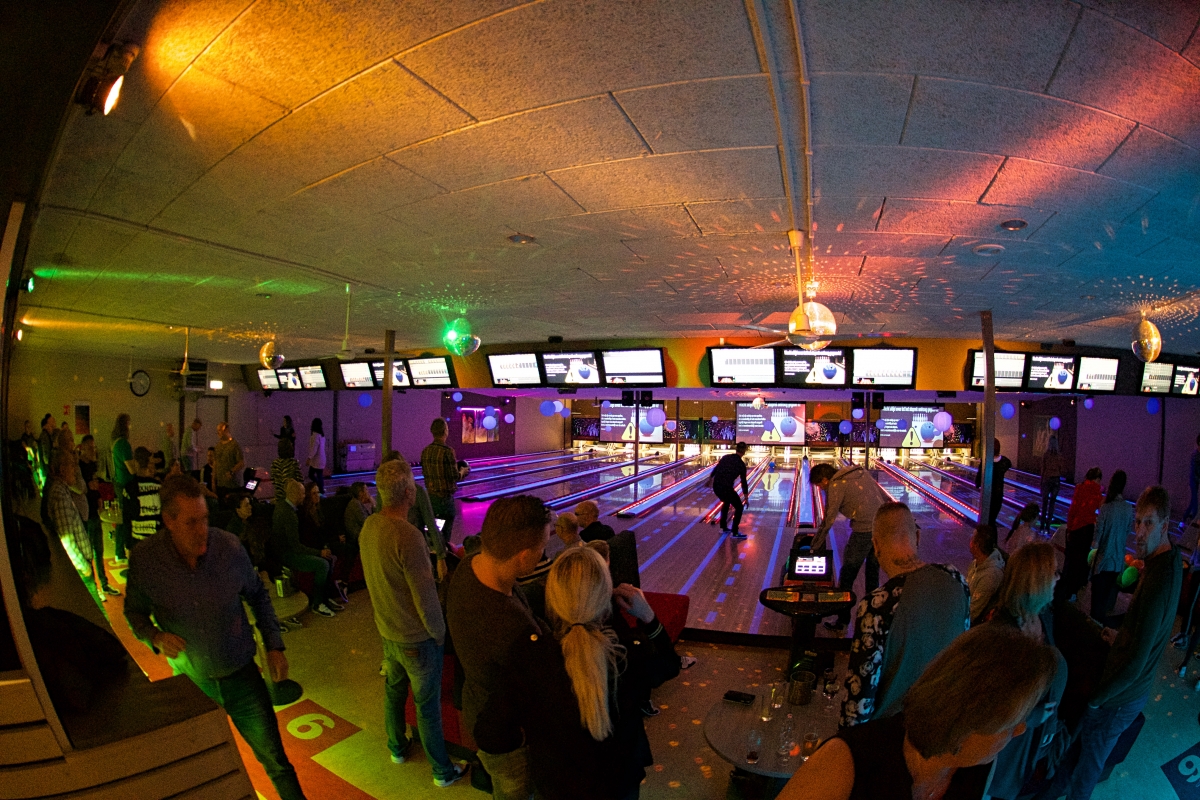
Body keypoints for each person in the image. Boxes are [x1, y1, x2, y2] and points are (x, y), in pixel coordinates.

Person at [124, 474, 307, 800]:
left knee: (277, 762)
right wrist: (155, 636)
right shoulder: (147, 562)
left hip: (242, 678)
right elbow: (134, 613)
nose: (202, 531)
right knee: (201, 770)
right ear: (168, 520)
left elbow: (258, 596)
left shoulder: (229, 548)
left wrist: (275, 645)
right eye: (191, 522)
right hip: (192, 684)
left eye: (205, 519)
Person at [476, 547, 680, 800]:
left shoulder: (529, 655)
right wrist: (648, 617)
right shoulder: (629, 652)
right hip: (620, 784)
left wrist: (533, 736)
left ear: (552, 596)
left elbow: (489, 735)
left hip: (556, 786)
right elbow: (671, 665)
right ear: (605, 595)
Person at [779, 625, 1057, 800]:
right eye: (1010, 722)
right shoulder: (844, 763)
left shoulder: (977, 768)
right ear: (966, 721)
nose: (1020, 730)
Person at [1044, 485, 1182, 800]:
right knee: (1084, 757)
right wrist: (1121, 636)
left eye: (1149, 523)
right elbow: (1150, 633)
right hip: (1127, 691)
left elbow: (1134, 663)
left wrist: (1097, 699)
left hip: (1120, 698)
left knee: (1088, 764)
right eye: (1138, 522)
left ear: (1165, 524)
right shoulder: (1168, 563)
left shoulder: (1159, 582)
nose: (1140, 532)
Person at [359, 459, 465, 787]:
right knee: (426, 706)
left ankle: (397, 748)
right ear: (409, 493)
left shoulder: (369, 526)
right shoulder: (407, 536)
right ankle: (442, 771)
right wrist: (440, 635)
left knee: (393, 692)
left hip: (387, 631)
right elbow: (426, 599)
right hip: (416, 639)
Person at [446, 495, 549, 800]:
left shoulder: (469, 565)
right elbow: (544, 686)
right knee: (516, 791)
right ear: (523, 557)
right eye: (542, 547)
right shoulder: (510, 626)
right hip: (508, 737)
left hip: (480, 709)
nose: (545, 553)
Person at [841, 502, 969, 728]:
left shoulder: (876, 606)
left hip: (897, 738)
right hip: (949, 725)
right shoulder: (956, 579)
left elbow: (859, 706)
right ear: (918, 537)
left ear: (876, 545)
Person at [980, 543, 1069, 800]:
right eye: (1053, 572)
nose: (1058, 577)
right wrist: (1027, 719)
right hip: (1005, 752)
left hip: (1029, 748)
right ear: (1036, 581)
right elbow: (990, 706)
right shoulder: (1001, 631)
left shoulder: (1043, 616)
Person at [810, 461, 892, 631]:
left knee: (847, 576)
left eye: (819, 485)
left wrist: (815, 545)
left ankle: (842, 621)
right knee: (872, 577)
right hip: (881, 528)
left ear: (825, 479)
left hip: (863, 531)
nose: (821, 489)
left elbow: (829, 519)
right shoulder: (860, 472)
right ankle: (872, 622)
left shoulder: (836, 485)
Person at [272, 480, 341, 618]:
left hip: (285, 551)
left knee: (327, 559)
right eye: (303, 493)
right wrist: (318, 552)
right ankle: (317, 603)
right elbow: (295, 546)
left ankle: (324, 598)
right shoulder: (289, 515)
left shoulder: (283, 507)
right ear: (297, 494)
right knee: (322, 564)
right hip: (287, 555)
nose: (305, 496)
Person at [43, 450, 98, 601]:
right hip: (81, 572)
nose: (75, 469)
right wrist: (85, 568)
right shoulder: (60, 495)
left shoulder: (62, 490)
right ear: (62, 469)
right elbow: (67, 540)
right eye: (72, 465)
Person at [1054, 466, 1104, 603]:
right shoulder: (1097, 491)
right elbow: (1101, 510)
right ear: (1098, 479)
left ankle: (1062, 589)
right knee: (1081, 561)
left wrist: (1069, 528)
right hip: (1087, 529)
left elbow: (1073, 510)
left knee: (1070, 560)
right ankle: (1074, 591)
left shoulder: (1079, 488)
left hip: (1075, 528)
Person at [78, 435, 119, 597]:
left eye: (94, 447)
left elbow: (95, 486)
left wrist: (99, 497)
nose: (93, 450)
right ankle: (94, 587)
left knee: (99, 550)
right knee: (89, 552)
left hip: (94, 511)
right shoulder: (79, 466)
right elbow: (81, 488)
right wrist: (90, 487)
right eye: (90, 448)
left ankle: (104, 584)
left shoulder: (92, 465)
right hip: (86, 514)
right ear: (82, 448)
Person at [1090, 470, 1133, 623]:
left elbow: (1098, 535)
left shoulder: (1106, 507)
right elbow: (1128, 531)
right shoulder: (1128, 509)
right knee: (1106, 601)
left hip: (1103, 561)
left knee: (1096, 603)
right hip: (1117, 563)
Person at [420, 418, 459, 546]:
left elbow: (425, 473)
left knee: (431, 532)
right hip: (445, 500)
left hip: (430, 498)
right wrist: (463, 471)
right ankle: (443, 557)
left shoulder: (425, 451)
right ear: (445, 431)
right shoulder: (448, 451)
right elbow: (454, 476)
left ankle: (431, 556)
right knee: (444, 536)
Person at [966, 524, 1004, 623]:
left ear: (976, 545)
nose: (969, 542)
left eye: (971, 539)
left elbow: (973, 613)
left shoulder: (990, 576)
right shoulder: (976, 563)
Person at [711, 442, 750, 540]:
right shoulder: (741, 465)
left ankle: (723, 528)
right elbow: (743, 482)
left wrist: (709, 479)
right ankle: (735, 533)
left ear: (736, 449)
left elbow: (716, 468)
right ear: (744, 451)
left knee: (726, 501)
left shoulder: (726, 457)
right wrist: (746, 497)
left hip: (716, 486)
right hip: (726, 488)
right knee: (739, 507)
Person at [111, 413, 135, 564]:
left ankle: (119, 551)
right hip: (126, 484)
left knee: (121, 519)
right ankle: (122, 550)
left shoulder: (115, 442)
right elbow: (131, 469)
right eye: (129, 423)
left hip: (118, 483)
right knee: (125, 520)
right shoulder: (123, 444)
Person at [974, 439, 1012, 529]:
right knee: (992, 520)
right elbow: (1009, 464)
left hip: (987, 494)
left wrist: (977, 485)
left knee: (986, 520)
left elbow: (979, 479)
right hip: (998, 494)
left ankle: (985, 538)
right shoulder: (1004, 461)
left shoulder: (986, 461)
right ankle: (992, 540)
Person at [129, 447, 163, 545]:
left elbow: (127, 519)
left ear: (136, 462)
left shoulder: (130, 488)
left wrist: (127, 545)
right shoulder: (159, 486)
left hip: (138, 540)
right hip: (156, 539)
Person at [213, 422, 245, 498]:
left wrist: (231, 472)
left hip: (233, 485)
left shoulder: (234, 445)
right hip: (221, 484)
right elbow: (215, 463)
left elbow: (241, 463)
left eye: (220, 430)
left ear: (226, 430)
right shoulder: (218, 446)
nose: (218, 433)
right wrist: (213, 481)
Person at [1039, 437, 1064, 531]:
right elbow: (1061, 469)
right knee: (1052, 504)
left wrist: (1041, 483)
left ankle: (1042, 525)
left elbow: (1042, 469)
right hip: (1056, 480)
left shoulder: (1046, 455)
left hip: (1046, 479)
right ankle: (1048, 526)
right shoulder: (1059, 456)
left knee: (1044, 503)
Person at [270, 438, 303, 505]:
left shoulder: (274, 463)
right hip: (291, 498)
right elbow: (300, 481)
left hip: (279, 499)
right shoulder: (293, 463)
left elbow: (274, 481)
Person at [299, 481, 324, 549]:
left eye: (318, 492)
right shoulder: (304, 513)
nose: (317, 496)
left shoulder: (319, 508)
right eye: (314, 493)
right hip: (314, 546)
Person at [306, 418, 326, 495]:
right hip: (321, 458)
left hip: (317, 459)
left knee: (312, 474)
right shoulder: (322, 435)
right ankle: (320, 489)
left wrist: (309, 458)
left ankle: (320, 488)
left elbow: (314, 448)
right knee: (319, 474)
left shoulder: (315, 435)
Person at [1187, 434, 1200, 525]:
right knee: (1195, 505)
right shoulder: (1196, 455)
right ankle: (1193, 524)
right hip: (1194, 482)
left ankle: (1182, 522)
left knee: (1192, 502)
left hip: (1196, 481)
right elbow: (1196, 471)